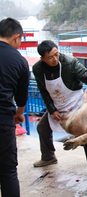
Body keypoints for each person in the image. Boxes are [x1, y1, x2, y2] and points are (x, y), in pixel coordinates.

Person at [32, 40, 87, 187]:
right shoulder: (37, 69)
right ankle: (48, 157)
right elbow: (44, 92)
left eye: (56, 54)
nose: (55, 59)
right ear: (42, 59)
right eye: (50, 57)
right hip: (57, 105)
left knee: (85, 135)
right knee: (42, 127)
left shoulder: (70, 62)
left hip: (75, 103)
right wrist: (52, 110)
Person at [0, 17, 29, 197]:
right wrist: (19, 115)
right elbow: (21, 97)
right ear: (16, 37)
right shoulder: (19, 61)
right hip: (3, 122)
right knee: (8, 172)